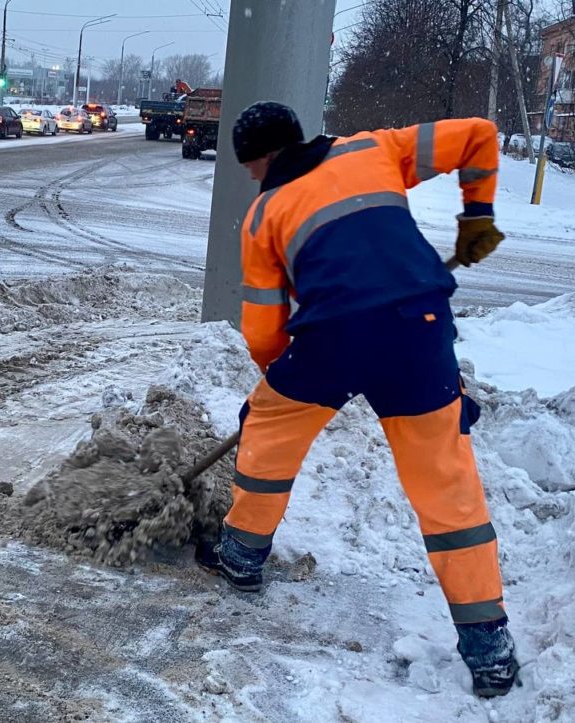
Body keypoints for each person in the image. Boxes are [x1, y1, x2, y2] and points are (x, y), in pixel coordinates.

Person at [195, 101, 518, 698]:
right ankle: (488, 646)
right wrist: (478, 215)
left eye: (249, 165)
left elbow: (264, 328)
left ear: (266, 157)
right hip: (418, 328)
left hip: (332, 339)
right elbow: (477, 136)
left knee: (267, 434)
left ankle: (241, 556)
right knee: (446, 484)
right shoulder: (375, 148)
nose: (249, 176)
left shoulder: (265, 215)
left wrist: (281, 384)